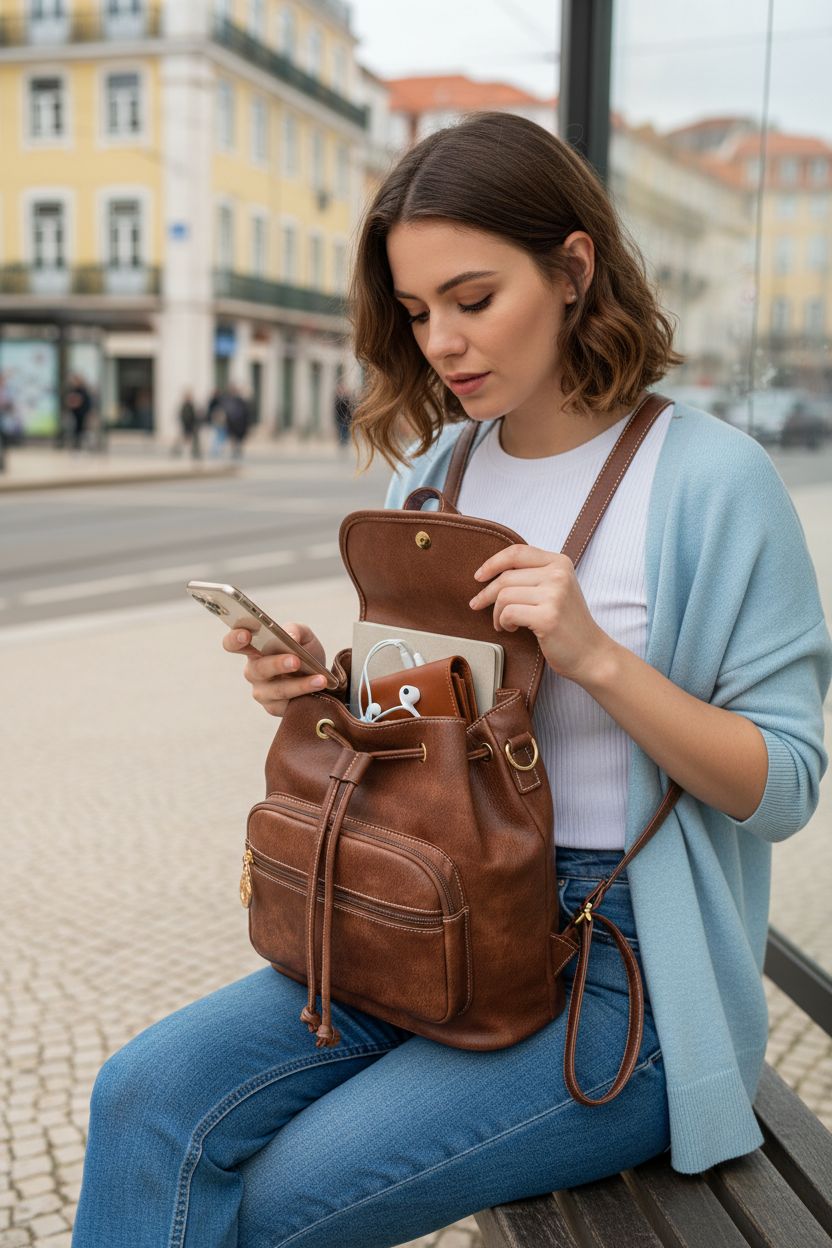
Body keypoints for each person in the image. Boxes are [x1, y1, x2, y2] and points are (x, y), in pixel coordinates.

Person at [72, 111, 832, 1246]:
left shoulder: (712, 482)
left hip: (619, 979)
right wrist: (323, 698)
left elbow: (783, 786)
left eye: (473, 300)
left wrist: (597, 660)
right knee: (139, 1097)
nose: (442, 342)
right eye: (418, 312)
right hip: (426, 919)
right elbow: (423, 727)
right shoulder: (441, 469)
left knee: (272, 1204)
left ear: (573, 269)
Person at [64, 373, 93, 451]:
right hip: (74, 415)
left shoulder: (83, 391)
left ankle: (84, 446)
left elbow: (87, 403)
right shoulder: (72, 390)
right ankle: (76, 445)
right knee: (75, 430)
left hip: (82, 414)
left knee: (83, 430)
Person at [172, 388, 202, 460]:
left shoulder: (191, 405)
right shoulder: (185, 406)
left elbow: (194, 416)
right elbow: (183, 416)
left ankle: (191, 452)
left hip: (191, 425)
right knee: (185, 439)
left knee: (191, 440)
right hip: (186, 425)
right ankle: (184, 452)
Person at [225, 383, 252, 460]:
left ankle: (238, 450)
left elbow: (246, 413)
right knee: (233, 438)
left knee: (239, 439)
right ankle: (235, 450)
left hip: (239, 424)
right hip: (232, 423)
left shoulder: (240, 400)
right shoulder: (228, 400)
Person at [333, 377, 354, 450]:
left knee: (346, 430)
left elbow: (350, 409)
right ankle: (342, 443)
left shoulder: (347, 398)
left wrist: (351, 417)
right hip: (340, 418)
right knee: (341, 430)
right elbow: (336, 409)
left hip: (346, 418)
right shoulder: (338, 398)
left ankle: (345, 442)